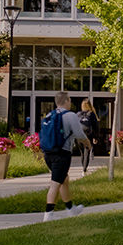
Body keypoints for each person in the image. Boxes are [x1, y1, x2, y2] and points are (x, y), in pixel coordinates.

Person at [42, 91, 89, 222]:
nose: (71, 102)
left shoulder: (49, 114)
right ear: (66, 101)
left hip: (48, 153)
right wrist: (88, 144)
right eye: (70, 100)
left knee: (64, 180)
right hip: (62, 154)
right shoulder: (70, 115)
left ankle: (71, 209)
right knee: (55, 184)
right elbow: (79, 134)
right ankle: (48, 215)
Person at [76, 99, 98, 176]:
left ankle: (83, 168)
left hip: (79, 136)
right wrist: (96, 137)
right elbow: (95, 126)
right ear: (90, 105)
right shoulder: (91, 114)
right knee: (86, 153)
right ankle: (84, 170)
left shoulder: (78, 114)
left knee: (82, 153)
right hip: (88, 135)